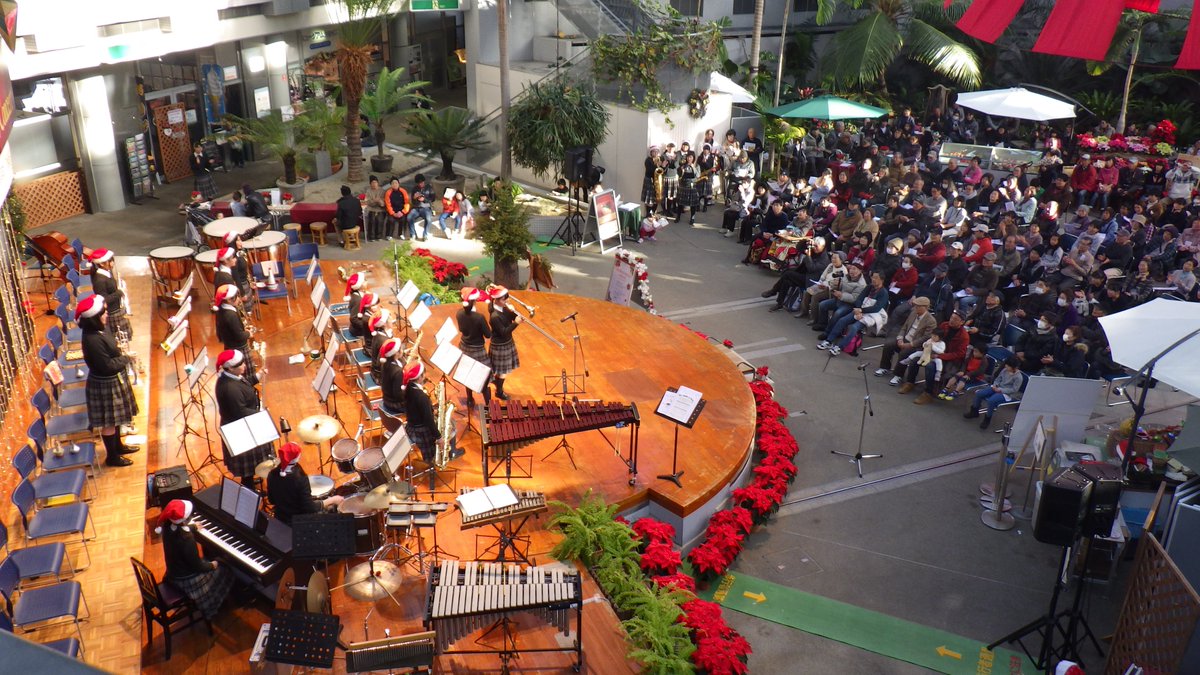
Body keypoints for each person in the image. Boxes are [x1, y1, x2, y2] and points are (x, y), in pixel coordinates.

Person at [77, 295, 139, 467]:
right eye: (103, 312)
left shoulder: (100, 330)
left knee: (116, 420)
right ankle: (112, 457)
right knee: (109, 422)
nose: (106, 315)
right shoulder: (93, 339)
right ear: (94, 317)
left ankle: (118, 447)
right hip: (105, 382)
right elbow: (107, 365)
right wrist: (126, 358)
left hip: (112, 380)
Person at [156, 499, 232, 620]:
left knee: (211, 560)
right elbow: (198, 566)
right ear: (185, 519)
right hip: (186, 581)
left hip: (172, 575)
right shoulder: (187, 538)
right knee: (225, 568)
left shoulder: (167, 526)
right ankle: (214, 605)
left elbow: (178, 531)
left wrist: (192, 527)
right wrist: (213, 564)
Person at [214, 349, 275, 487]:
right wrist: (261, 414)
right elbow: (240, 412)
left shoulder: (231, 376)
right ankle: (249, 490)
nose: (244, 366)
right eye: (240, 365)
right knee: (247, 472)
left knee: (251, 469)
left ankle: (250, 483)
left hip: (244, 423)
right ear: (230, 367)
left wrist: (258, 376)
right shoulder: (229, 389)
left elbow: (244, 383)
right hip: (240, 430)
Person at [266, 443, 343, 524]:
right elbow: (310, 508)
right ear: (296, 458)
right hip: (298, 523)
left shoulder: (271, 474)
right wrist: (332, 500)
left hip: (280, 520)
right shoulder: (300, 479)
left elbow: (271, 500)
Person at [818, 271, 889, 356]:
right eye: (872, 277)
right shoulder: (869, 287)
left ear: (882, 280)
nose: (873, 279)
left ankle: (839, 347)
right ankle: (829, 340)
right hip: (859, 310)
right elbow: (859, 299)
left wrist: (861, 311)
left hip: (870, 314)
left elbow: (876, 308)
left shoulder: (883, 293)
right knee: (842, 320)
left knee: (854, 327)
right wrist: (858, 309)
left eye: (876, 278)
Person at [877, 296, 936, 377]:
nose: (915, 307)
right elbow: (904, 327)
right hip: (905, 338)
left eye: (918, 306)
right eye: (915, 305)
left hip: (916, 344)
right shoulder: (913, 313)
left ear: (925, 307)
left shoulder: (931, 321)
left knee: (904, 353)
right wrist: (900, 338)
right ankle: (884, 367)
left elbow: (925, 337)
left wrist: (911, 344)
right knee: (888, 344)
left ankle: (898, 375)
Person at [213, 284, 258, 384]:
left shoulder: (222, 310)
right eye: (236, 297)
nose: (238, 298)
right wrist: (248, 334)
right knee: (246, 377)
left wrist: (242, 329)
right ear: (229, 300)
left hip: (231, 346)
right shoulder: (230, 315)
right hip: (238, 348)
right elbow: (239, 336)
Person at [455, 287, 493, 409]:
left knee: (468, 374)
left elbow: (462, 329)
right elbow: (488, 334)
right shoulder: (479, 317)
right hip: (477, 350)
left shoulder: (459, 313)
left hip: (464, 347)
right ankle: (490, 406)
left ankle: (470, 400)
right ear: (475, 301)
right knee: (485, 379)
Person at [402, 361, 441, 472]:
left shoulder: (408, 387)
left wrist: (429, 407)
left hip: (410, 427)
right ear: (420, 377)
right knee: (450, 428)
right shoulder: (421, 397)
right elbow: (428, 420)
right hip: (421, 432)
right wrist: (439, 437)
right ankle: (433, 462)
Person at [964, 357, 1024, 429]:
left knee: (991, 401)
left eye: (1008, 366)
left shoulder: (1018, 377)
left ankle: (987, 418)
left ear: (1014, 367)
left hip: (1006, 394)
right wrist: (995, 385)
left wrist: (1000, 390)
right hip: (997, 387)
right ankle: (974, 411)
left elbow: (1014, 389)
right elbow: (998, 379)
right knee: (979, 393)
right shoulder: (1005, 370)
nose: (1006, 366)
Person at [486, 285, 523, 400]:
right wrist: (516, 323)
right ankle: (499, 392)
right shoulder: (494, 316)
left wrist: (514, 312)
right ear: (496, 300)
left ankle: (497, 383)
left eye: (507, 297)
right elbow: (504, 332)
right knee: (503, 371)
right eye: (504, 299)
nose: (507, 300)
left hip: (507, 342)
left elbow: (513, 316)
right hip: (500, 345)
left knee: (501, 370)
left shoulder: (504, 308)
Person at [88, 248, 132, 340]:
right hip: (112, 313)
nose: (112, 263)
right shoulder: (99, 280)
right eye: (110, 261)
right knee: (119, 338)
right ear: (101, 263)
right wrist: (120, 292)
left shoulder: (107, 272)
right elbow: (104, 300)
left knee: (125, 337)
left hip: (117, 308)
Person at [378, 338, 407, 416]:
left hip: (387, 399)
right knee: (418, 403)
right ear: (395, 353)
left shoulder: (385, 363)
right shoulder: (398, 372)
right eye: (400, 348)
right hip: (395, 405)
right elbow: (398, 395)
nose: (402, 350)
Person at [367, 309, 393, 385]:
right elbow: (380, 363)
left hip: (375, 370)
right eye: (390, 319)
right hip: (379, 375)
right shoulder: (384, 340)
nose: (392, 320)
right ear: (384, 323)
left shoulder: (379, 332)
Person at [408, 174, 435, 241]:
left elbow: (433, 199)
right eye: (419, 183)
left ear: (424, 181)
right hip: (416, 207)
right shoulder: (415, 188)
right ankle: (413, 234)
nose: (421, 184)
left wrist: (424, 199)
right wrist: (414, 198)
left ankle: (425, 234)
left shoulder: (429, 188)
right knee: (409, 217)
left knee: (428, 219)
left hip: (426, 207)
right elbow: (412, 201)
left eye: (422, 183)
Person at [677, 153, 701, 226]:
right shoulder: (683, 165)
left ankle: (692, 217)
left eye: (690, 157)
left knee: (692, 203)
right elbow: (679, 174)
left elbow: (698, 175)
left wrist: (693, 167)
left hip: (692, 185)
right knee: (680, 202)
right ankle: (678, 217)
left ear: (693, 158)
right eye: (688, 157)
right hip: (683, 185)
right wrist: (681, 170)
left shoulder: (697, 165)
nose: (689, 159)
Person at [364, 176, 387, 242]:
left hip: (380, 209)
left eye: (375, 182)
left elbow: (383, 203)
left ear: (378, 183)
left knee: (380, 220)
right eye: (372, 183)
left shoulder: (382, 191)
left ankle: (379, 236)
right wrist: (375, 201)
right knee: (372, 220)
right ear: (370, 184)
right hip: (371, 209)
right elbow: (367, 202)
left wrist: (379, 201)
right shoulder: (368, 191)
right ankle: (371, 236)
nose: (374, 184)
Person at [642, 147, 662, 216]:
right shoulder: (648, 160)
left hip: (657, 182)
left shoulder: (658, 159)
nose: (656, 153)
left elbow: (661, 171)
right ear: (651, 152)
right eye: (654, 151)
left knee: (656, 199)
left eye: (657, 151)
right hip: (649, 180)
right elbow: (651, 170)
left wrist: (663, 166)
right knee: (649, 200)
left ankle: (653, 213)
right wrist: (657, 165)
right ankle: (648, 215)